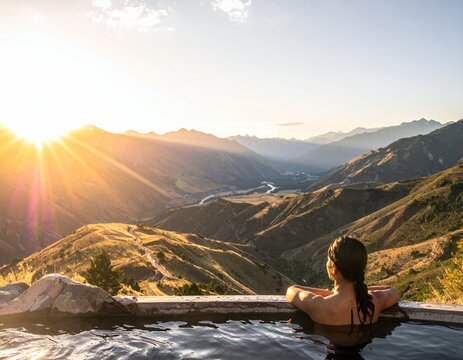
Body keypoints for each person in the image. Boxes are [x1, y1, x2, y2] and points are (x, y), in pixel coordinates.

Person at [286, 236, 399, 327]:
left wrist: (330, 293)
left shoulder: (319, 304)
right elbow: (392, 290)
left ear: (333, 268)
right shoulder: (375, 302)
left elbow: (292, 290)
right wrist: (359, 290)